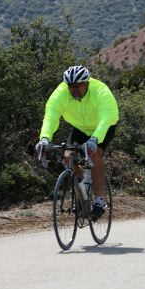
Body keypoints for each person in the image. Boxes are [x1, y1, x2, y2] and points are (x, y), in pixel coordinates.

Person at [35, 65, 119, 219]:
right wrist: (44, 138)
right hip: (80, 128)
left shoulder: (100, 91)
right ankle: (82, 190)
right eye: (71, 87)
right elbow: (51, 115)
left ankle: (100, 200)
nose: (74, 90)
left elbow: (107, 117)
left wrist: (95, 139)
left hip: (104, 126)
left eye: (78, 86)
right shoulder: (60, 94)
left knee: (95, 155)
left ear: (87, 83)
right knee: (68, 156)